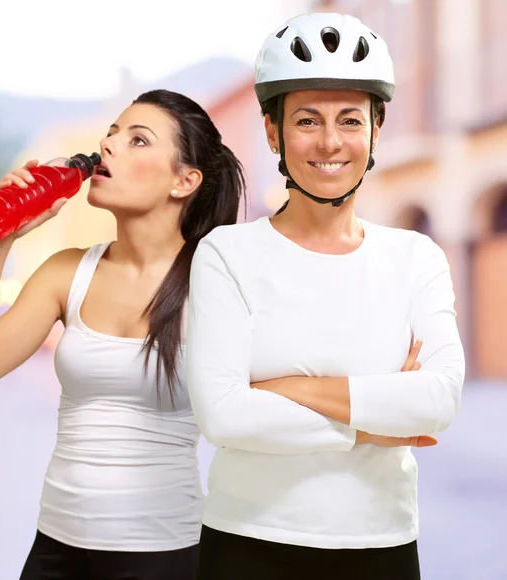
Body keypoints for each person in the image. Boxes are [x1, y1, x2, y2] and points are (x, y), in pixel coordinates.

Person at [186, 13, 465, 580]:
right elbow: (224, 416)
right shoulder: (227, 254)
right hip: (247, 543)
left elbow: (437, 402)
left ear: (376, 131)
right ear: (273, 132)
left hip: (381, 545)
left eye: (350, 120)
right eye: (307, 120)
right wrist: (374, 422)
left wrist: (289, 390)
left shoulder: (416, 258)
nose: (331, 142)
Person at [0, 89, 246, 580]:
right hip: (56, 550)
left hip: (165, 555)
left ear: (185, 180)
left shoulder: (215, 286)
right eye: (111, 135)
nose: (108, 147)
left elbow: (283, 383)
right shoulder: (68, 273)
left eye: (138, 140)